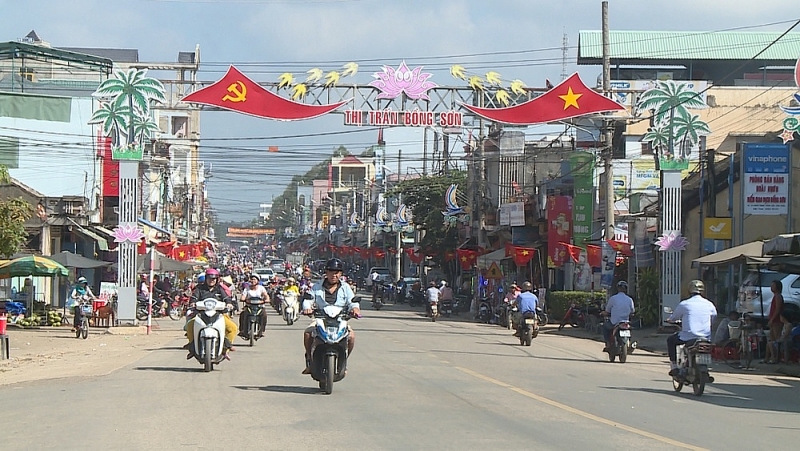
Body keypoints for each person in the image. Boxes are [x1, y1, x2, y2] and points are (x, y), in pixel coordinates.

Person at [301, 258, 360, 374]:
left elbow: (352, 301)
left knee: (351, 336)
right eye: (331, 271)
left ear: (341, 274)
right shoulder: (317, 287)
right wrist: (307, 308)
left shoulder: (346, 287)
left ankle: (344, 361)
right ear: (326, 272)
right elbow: (308, 299)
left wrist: (355, 309)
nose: (334, 274)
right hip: (320, 318)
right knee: (308, 333)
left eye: (337, 272)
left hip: (340, 319)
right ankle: (309, 360)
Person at [665, 280, 718, 377]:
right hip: (705, 338)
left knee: (671, 340)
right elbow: (714, 318)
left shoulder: (685, 304)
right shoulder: (709, 304)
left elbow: (674, 318)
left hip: (688, 336)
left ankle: (674, 367)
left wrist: (670, 320)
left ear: (689, 290)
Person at [186, 268, 238, 359]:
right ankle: (192, 348)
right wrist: (193, 303)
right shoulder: (199, 288)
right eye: (209, 278)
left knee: (233, 328)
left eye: (214, 279)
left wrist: (229, 304)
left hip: (219, 315)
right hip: (201, 315)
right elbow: (194, 298)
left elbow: (226, 298)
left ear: (217, 279)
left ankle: (225, 349)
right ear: (206, 279)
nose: (211, 281)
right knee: (189, 326)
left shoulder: (219, 289)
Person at [601, 281, 635, 352]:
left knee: (605, 327)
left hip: (614, 322)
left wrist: (604, 313)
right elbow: (632, 311)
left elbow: (607, 311)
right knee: (631, 329)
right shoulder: (629, 299)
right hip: (626, 322)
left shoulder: (613, 298)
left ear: (618, 289)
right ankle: (629, 343)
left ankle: (608, 344)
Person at [238, 274, 268, 338]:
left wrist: (266, 299)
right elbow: (243, 297)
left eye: (254, 279)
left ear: (258, 280)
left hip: (260, 306)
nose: (253, 281)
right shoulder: (247, 289)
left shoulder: (261, 288)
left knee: (264, 315)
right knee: (242, 314)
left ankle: (262, 330)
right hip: (249, 306)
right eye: (251, 279)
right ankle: (243, 330)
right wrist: (243, 299)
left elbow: (266, 295)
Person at [764, 280, 785, 364]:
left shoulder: (778, 296)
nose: (771, 287)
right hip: (773, 320)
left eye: (773, 285)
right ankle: (768, 357)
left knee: (776, 340)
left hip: (777, 321)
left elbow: (778, 309)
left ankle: (776, 357)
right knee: (771, 340)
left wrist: (772, 319)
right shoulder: (775, 296)